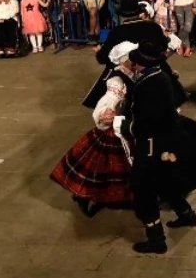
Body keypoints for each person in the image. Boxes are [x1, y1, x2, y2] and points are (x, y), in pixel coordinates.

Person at [121, 23, 196, 255]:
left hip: (153, 143)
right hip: (167, 140)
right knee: (165, 180)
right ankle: (186, 214)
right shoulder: (157, 76)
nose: (133, 64)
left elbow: (148, 120)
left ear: (144, 63)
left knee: (143, 188)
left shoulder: (150, 84)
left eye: (136, 61)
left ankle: (156, 239)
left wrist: (123, 124)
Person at [51, 41, 141, 216]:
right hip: (116, 131)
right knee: (104, 170)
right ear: (125, 60)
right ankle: (85, 197)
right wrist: (104, 113)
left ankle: (115, 197)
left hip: (125, 126)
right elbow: (109, 100)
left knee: (111, 171)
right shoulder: (117, 80)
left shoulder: (131, 73)